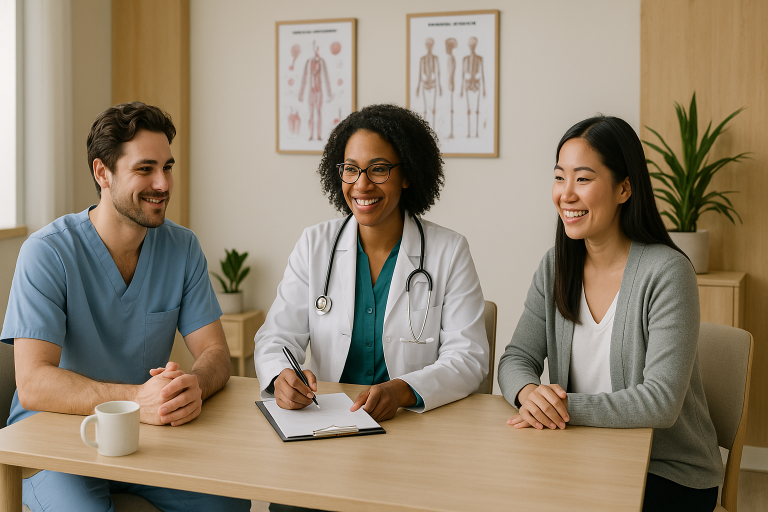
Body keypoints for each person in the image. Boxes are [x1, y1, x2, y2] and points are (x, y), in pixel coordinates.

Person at [1, 102, 250, 512]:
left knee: (227, 504)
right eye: (145, 169)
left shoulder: (182, 247)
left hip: (144, 432)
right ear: (103, 173)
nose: (162, 182)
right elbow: (33, 383)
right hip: (56, 435)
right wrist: (139, 398)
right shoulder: (47, 253)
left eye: (167, 167)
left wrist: (194, 386)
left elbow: (215, 353)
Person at [497, 116, 723, 512]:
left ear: (624, 188)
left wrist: (560, 407)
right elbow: (517, 358)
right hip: (580, 454)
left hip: (667, 472)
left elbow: (661, 402)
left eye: (583, 179)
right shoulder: (555, 266)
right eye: (559, 177)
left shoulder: (668, 272)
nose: (566, 194)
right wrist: (528, 393)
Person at [254, 103, 488, 422]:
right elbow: (276, 337)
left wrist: (402, 389)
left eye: (378, 169)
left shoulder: (449, 251)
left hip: (413, 424)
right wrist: (281, 376)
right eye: (351, 169)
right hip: (329, 421)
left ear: (406, 175)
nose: (362, 185)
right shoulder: (314, 245)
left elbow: (468, 357)